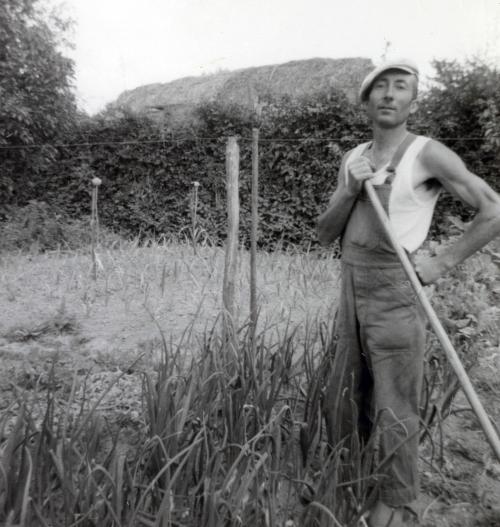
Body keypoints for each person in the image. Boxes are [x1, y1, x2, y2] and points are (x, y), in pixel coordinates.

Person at [316, 59, 500, 527]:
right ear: (367, 99)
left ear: (412, 100)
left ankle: (397, 503)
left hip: (397, 290)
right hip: (351, 287)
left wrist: (442, 262)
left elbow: (493, 210)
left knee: (395, 401)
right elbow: (324, 233)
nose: (390, 94)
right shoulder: (354, 156)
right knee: (348, 391)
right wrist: (352, 188)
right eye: (381, 87)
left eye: (401, 87)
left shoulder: (427, 153)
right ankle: (353, 480)